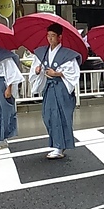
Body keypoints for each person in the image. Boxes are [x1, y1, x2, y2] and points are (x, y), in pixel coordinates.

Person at [30, 23, 82, 159]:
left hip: (62, 88)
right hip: (49, 88)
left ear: (60, 37)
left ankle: (59, 147)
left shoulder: (67, 54)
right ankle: (57, 143)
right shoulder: (42, 52)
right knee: (48, 116)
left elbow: (73, 73)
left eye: (53, 36)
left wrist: (57, 73)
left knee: (61, 116)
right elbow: (36, 68)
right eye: (48, 36)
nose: (50, 39)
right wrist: (37, 71)